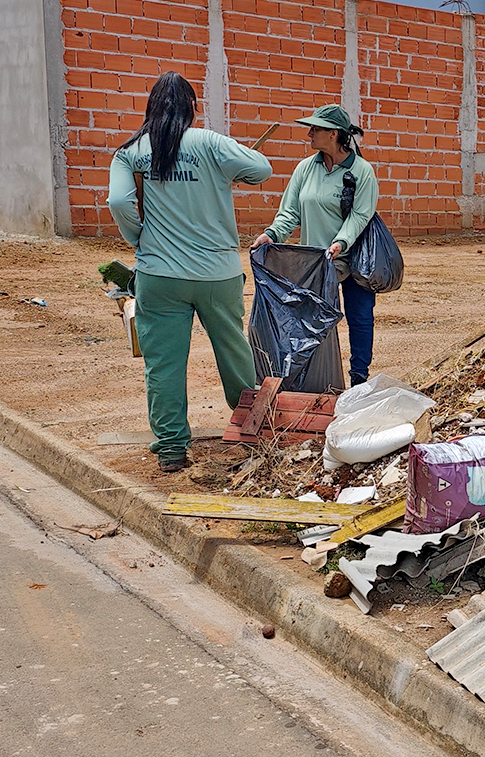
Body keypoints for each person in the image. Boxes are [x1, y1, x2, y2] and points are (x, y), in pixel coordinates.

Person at [108, 72, 273, 473]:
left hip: (160, 275)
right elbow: (261, 169)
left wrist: (140, 238)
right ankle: (252, 432)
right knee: (234, 352)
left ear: (151, 108)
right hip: (217, 274)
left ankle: (171, 450)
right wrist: (231, 172)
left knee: (163, 364)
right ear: (191, 108)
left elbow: (117, 201)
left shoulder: (131, 151)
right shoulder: (209, 142)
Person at [251, 104, 379, 387]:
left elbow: (361, 214)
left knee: (359, 319)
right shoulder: (306, 169)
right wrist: (272, 234)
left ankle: (359, 378)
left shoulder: (362, 171)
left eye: (315, 129)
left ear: (333, 134)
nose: (309, 133)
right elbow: (290, 212)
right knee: (315, 321)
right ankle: (318, 382)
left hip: (354, 257)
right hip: (317, 263)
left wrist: (341, 242)